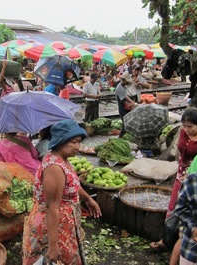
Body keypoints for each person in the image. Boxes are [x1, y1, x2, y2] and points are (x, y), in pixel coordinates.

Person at [22, 119, 101, 265]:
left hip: (62, 222)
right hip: (52, 225)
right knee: (52, 259)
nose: (78, 147)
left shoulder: (63, 159)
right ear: (61, 141)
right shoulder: (54, 168)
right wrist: (53, 245)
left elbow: (73, 182)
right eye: (74, 142)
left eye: (79, 142)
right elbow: (52, 207)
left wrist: (88, 199)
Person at [150, 108, 197, 251]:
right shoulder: (183, 133)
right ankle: (166, 239)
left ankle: (185, 242)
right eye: (184, 126)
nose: (186, 129)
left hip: (196, 182)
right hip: (180, 177)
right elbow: (179, 152)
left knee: (190, 211)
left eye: (190, 126)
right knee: (173, 208)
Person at [115, 72, 137, 137]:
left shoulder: (123, 86)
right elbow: (124, 99)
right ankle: (120, 137)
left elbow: (126, 96)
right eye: (127, 81)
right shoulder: (119, 88)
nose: (128, 83)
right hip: (122, 109)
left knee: (128, 123)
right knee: (126, 125)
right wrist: (132, 103)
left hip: (125, 108)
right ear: (123, 80)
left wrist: (132, 103)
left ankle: (126, 136)